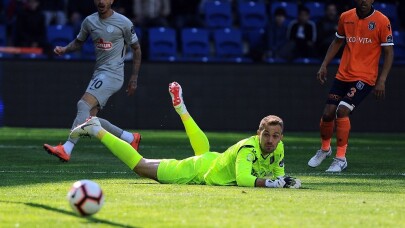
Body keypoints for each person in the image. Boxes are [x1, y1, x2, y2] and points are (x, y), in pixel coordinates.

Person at [69, 82, 302, 188]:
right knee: (141, 167)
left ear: (281, 137)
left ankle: (182, 110)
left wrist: (285, 182)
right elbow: (243, 180)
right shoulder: (248, 149)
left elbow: (277, 174)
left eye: (275, 136)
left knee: (203, 152)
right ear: (258, 134)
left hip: (212, 161)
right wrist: (270, 184)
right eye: (267, 135)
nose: (271, 141)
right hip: (198, 171)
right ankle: (96, 128)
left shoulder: (278, 148)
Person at [43, 0, 142, 162]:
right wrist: (64, 49)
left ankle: (67, 148)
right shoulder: (89, 21)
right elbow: (78, 42)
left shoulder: (124, 22)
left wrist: (134, 77)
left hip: (113, 74)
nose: (101, 1)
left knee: (82, 104)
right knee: (90, 120)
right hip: (99, 73)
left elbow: (136, 48)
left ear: (112, 1)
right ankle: (131, 138)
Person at [308, 0, 394, 172]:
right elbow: (338, 41)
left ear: (372, 1)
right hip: (343, 75)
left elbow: (388, 51)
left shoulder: (382, 20)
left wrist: (382, 80)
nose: (363, 1)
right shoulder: (346, 17)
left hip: (365, 77)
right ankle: (325, 149)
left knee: (342, 110)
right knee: (327, 114)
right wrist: (324, 64)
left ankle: (340, 158)